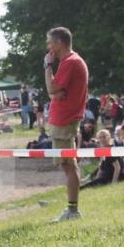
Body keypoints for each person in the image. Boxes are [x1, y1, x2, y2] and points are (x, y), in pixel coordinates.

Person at [43, 27, 89, 222]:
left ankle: (72, 211)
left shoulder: (70, 62)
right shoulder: (69, 62)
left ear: (59, 43)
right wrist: (54, 91)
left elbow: (51, 87)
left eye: (50, 42)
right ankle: (72, 209)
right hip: (63, 120)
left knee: (69, 166)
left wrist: (47, 66)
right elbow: (52, 92)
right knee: (68, 165)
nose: (48, 46)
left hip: (65, 121)